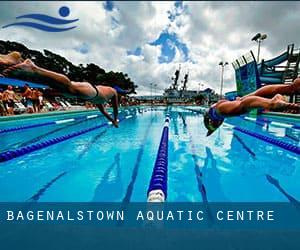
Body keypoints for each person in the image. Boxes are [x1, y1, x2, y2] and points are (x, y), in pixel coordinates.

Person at [4, 59, 132, 127]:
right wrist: (115, 119)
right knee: (68, 86)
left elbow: (103, 111)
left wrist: (112, 120)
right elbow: (115, 108)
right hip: (91, 91)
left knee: (56, 86)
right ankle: (33, 67)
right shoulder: (113, 92)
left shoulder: (103, 98)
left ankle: (17, 63)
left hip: (89, 91)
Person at [204, 78, 300, 136]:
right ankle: (290, 88)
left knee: (242, 105)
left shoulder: (216, 118)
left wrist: (210, 130)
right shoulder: (216, 117)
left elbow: (208, 122)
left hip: (219, 110)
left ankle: (271, 103)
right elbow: (207, 119)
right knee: (252, 96)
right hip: (220, 106)